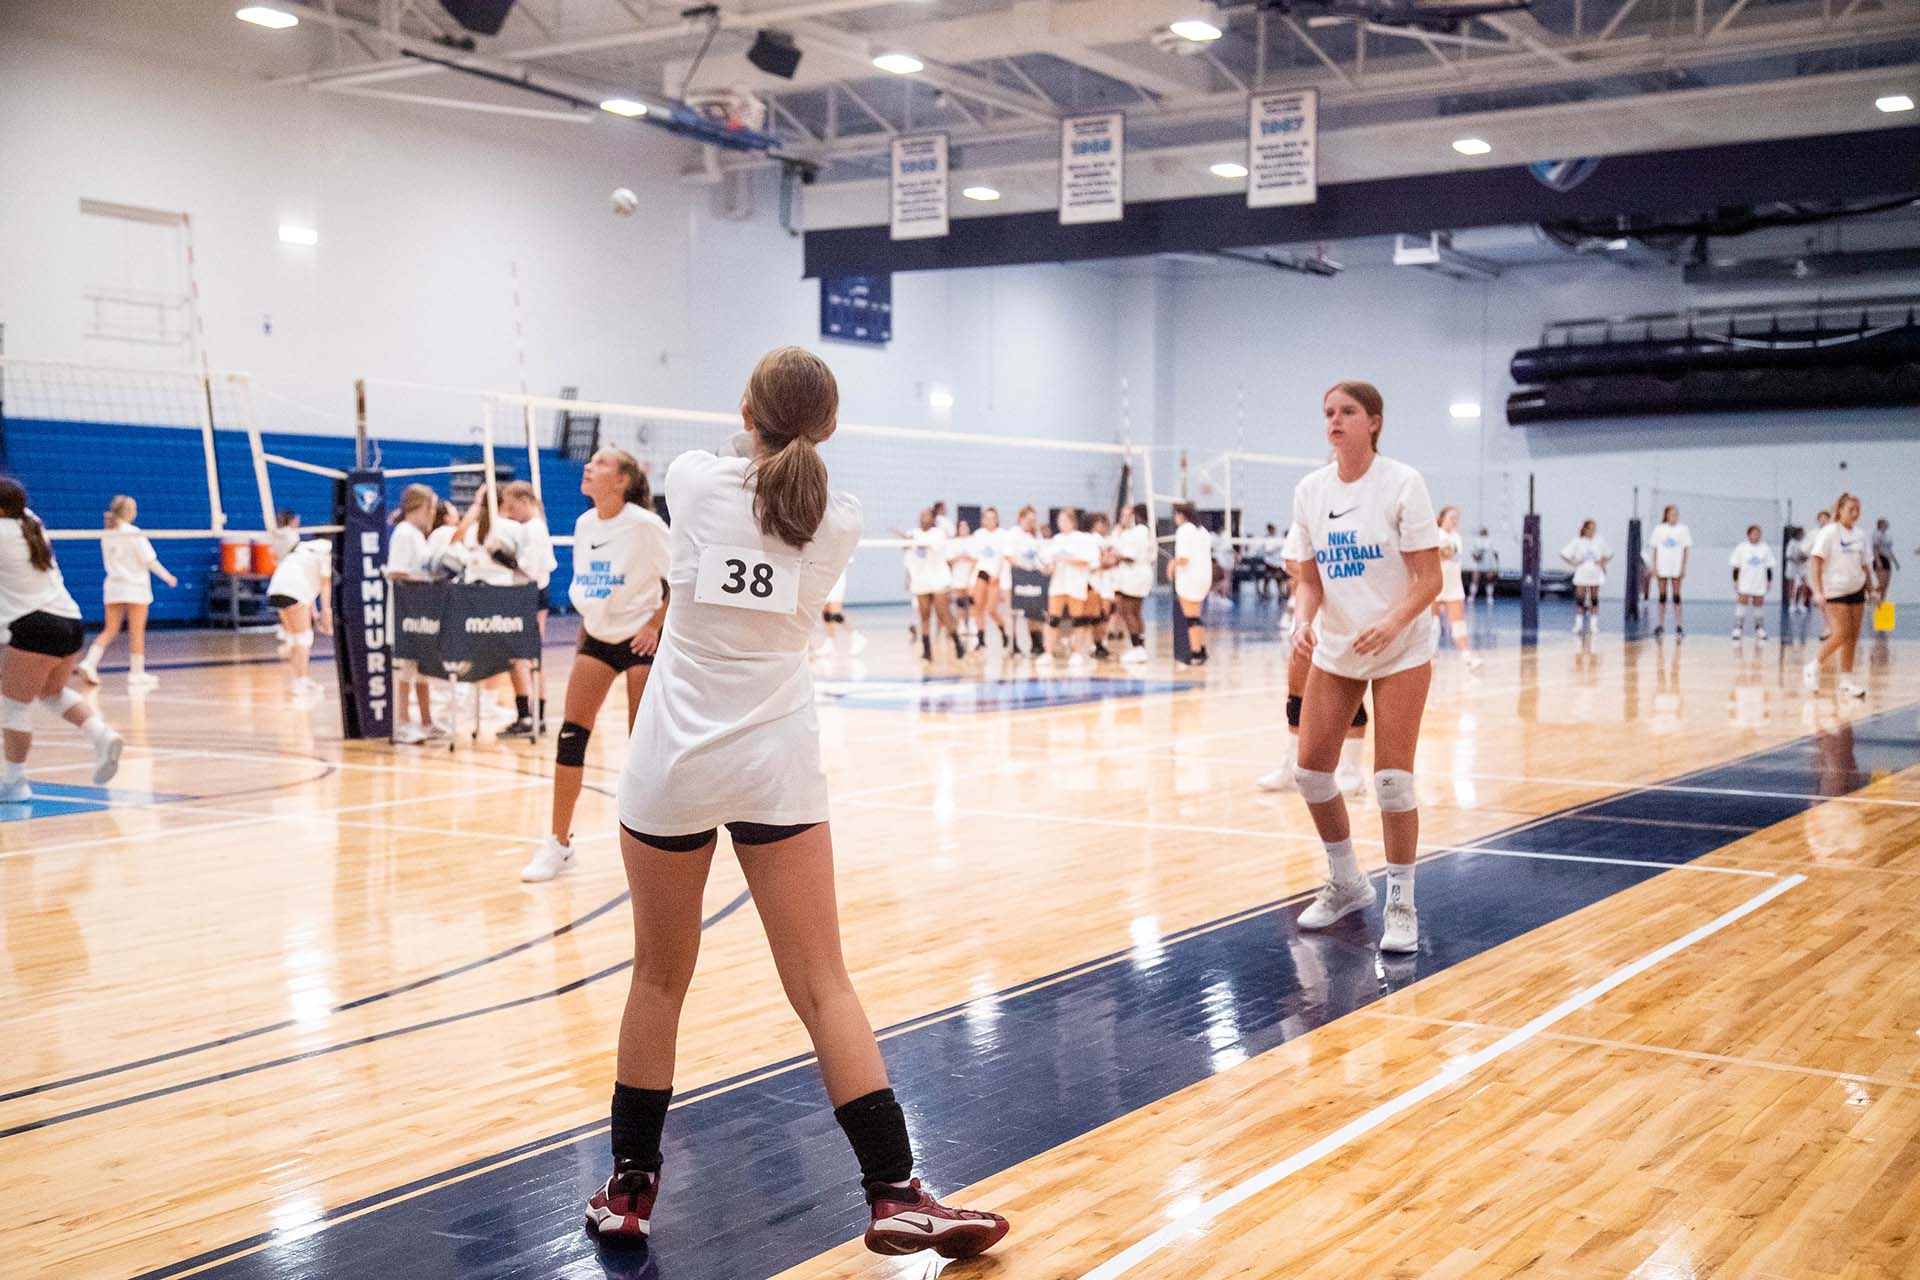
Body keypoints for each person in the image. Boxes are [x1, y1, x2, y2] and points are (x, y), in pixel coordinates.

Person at [593, 346, 1009, 1258]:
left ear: (746, 408)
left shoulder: (696, 482)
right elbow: (785, 481)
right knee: (825, 984)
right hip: (777, 763)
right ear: (829, 429)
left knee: (658, 978)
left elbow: (728, 468)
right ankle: (895, 1191)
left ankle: (629, 1191)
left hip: (672, 765)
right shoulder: (841, 520)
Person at [1286, 382, 1441, 954]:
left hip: (1401, 646)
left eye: (1347, 411)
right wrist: (1303, 620)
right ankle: (1348, 880)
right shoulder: (1310, 491)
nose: (1335, 420)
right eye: (1328, 411)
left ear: (1373, 422)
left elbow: (1430, 579)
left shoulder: (1402, 483)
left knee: (1392, 780)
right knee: (1311, 773)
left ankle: (1401, 899)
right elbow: (1309, 578)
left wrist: (1394, 623)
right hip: (1339, 645)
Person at [519, 449, 672, 882]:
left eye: (602, 464)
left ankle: (651, 843)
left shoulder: (645, 525)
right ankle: (559, 845)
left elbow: (682, 579)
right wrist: (585, 640)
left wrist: (655, 625)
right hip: (599, 638)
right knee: (570, 738)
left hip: (641, 640)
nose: (589, 466)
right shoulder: (585, 524)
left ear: (623, 480)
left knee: (640, 747)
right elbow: (592, 590)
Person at [0, 479, 124, 804]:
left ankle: (14, 783)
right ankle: (101, 734)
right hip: (70, 621)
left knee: (14, 706)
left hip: (35, 625)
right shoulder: (31, 522)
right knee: (50, 692)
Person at [1257, 521, 1369, 797]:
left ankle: (1352, 772)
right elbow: (1290, 561)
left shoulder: (1361, 520)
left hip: (1348, 616)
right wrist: (1320, 575)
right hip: (1309, 615)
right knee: (1296, 692)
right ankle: (1290, 767)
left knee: (1349, 692)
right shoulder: (1308, 516)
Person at [77, 495, 178, 689]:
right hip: (135, 586)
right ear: (129, 512)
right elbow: (149, 560)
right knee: (136, 630)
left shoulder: (107, 533)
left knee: (110, 629)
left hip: (114, 585)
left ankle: (89, 663)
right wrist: (167, 577)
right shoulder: (134, 532)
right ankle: (137, 673)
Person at [385, 484, 443, 744]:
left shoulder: (418, 535)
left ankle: (427, 721)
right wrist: (425, 580)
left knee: (422, 669)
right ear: (421, 507)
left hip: (419, 612)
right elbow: (396, 571)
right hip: (404, 611)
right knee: (406, 670)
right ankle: (403, 723)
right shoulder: (404, 533)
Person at [1803, 493, 1873, 699]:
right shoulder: (1829, 533)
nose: (1855, 513)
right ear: (1840, 510)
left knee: (1852, 637)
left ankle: (1846, 682)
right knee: (1840, 633)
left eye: (1858, 510)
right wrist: (1818, 591)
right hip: (1834, 590)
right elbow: (1816, 561)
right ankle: (1812, 666)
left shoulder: (1861, 535)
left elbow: (1866, 565)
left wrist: (1873, 588)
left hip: (1857, 589)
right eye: (1850, 509)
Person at [502, 481, 557, 730]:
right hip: (536, 594)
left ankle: (529, 716)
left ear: (525, 502)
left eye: (513, 507)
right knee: (529, 657)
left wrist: (503, 560)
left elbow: (530, 568)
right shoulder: (535, 527)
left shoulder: (532, 529)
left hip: (530, 595)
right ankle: (535, 716)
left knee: (522, 658)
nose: (510, 513)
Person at [266, 535, 333, 702]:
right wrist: (326, 611)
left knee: (295, 638)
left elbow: (304, 577)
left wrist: (314, 612)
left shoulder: (302, 546)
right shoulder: (328, 550)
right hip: (295, 590)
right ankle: (301, 681)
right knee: (304, 638)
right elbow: (325, 583)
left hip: (276, 589)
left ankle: (299, 679)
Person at [1036, 507, 1097, 671]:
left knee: (1077, 619)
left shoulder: (1082, 539)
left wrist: (1066, 559)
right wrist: (1047, 566)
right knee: (1053, 619)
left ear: (1072, 521)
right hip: (1058, 584)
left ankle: (1077, 652)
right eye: (1059, 520)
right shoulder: (1056, 540)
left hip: (1076, 584)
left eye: (1064, 520)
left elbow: (1086, 561)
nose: (1061, 523)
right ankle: (1048, 652)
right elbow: (1047, 562)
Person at [904, 509, 964, 663]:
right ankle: (927, 650)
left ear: (933, 519)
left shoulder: (938, 533)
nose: (924, 519)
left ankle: (958, 642)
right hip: (920, 580)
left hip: (938, 579)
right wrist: (907, 542)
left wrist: (912, 540)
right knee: (924, 615)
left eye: (927, 516)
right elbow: (907, 553)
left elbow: (930, 545)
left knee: (943, 614)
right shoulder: (913, 533)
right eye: (921, 516)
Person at [1431, 505, 1481, 670]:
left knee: (1458, 623)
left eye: (1457, 518)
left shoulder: (1456, 537)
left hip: (1453, 586)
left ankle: (1467, 657)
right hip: (1435, 584)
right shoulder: (1433, 534)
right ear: (1442, 518)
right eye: (1451, 517)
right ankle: (1429, 656)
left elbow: (1448, 553)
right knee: (1432, 623)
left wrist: (1441, 551)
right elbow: (1437, 554)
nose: (1455, 521)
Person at [1170, 503, 1212, 666]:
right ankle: (1202, 649)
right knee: (1196, 617)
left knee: (1191, 619)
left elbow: (1183, 558)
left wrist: (1172, 564)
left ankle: (1196, 653)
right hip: (1204, 578)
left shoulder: (1184, 530)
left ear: (1181, 514)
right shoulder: (1202, 531)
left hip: (1190, 578)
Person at [1113, 503, 1154, 664]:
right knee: (1134, 612)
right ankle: (1139, 646)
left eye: (1126, 515)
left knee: (1128, 611)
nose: (1122, 518)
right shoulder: (1136, 532)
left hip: (1134, 575)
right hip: (1135, 575)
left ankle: (1138, 648)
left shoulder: (1138, 532)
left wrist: (1117, 556)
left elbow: (1130, 556)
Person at [1560, 519, 1611, 635]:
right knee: (1580, 600)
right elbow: (1564, 553)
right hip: (1582, 573)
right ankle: (1578, 625)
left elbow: (1608, 554)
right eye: (1591, 528)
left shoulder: (1599, 541)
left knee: (1594, 599)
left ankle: (1594, 625)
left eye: (1595, 528)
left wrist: (1603, 563)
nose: (1593, 531)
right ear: (1585, 529)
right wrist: (1573, 563)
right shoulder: (1577, 541)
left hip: (1595, 573)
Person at [969, 507, 1008, 652]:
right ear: (983, 520)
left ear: (997, 519)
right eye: (987, 517)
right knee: (977, 607)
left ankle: (1003, 631)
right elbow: (975, 558)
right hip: (982, 573)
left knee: (991, 609)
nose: (990, 520)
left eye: (993, 517)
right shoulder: (979, 535)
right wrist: (970, 581)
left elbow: (1004, 557)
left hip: (996, 575)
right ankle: (981, 639)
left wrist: (997, 574)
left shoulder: (1003, 535)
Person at [1729, 524, 1776, 642]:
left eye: (1758, 534)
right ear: (1748, 535)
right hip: (1745, 580)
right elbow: (1736, 566)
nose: (1756, 536)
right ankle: (1738, 628)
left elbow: (1769, 567)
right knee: (1742, 602)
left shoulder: (1765, 548)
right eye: (1754, 533)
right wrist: (1735, 581)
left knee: (1758, 603)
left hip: (1759, 580)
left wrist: (1769, 581)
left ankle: (1759, 628)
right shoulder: (1741, 547)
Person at [1650, 504, 1691, 636]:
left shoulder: (1683, 529)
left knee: (1677, 596)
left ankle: (1679, 626)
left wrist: (1684, 567)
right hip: (1662, 566)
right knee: (1662, 596)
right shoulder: (1659, 529)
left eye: (1676, 514)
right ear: (1666, 515)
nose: (1674, 517)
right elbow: (1655, 549)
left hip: (1676, 567)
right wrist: (1654, 566)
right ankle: (1660, 625)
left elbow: (1685, 550)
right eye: (1672, 514)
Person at [1088, 512, 1117, 661]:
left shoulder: (1107, 540)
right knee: (1100, 616)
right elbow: (1101, 563)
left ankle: (1100, 644)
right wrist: (1107, 560)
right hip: (1097, 584)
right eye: (1101, 523)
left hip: (1106, 583)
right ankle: (1098, 644)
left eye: (1105, 523)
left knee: (1105, 615)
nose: (1104, 526)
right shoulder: (1093, 540)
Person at [1467, 525, 1498, 602]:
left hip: (1489, 564)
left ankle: (1489, 597)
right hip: (1478, 564)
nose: (1484, 531)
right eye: (1482, 530)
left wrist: (1496, 566)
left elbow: (1495, 554)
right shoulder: (1476, 540)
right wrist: (1476, 558)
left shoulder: (1491, 541)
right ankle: (1471, 596)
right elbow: (1473, 553)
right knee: (1475, 579)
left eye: (1485, 530)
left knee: (1489, 580)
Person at [1872, 517, 1898, 597]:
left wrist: (1896, 562)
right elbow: (1875, 548)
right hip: (1880, 558)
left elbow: (1890, 550)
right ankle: (1871, 596)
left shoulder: (1887, 536)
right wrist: (1878, 561)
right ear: (1880, 524)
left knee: (1886, 586)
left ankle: (1882, 605)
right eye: (1885, 523)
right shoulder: (1876, 534)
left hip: (1887, 560)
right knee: (1881, 584)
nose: (1887, 524)